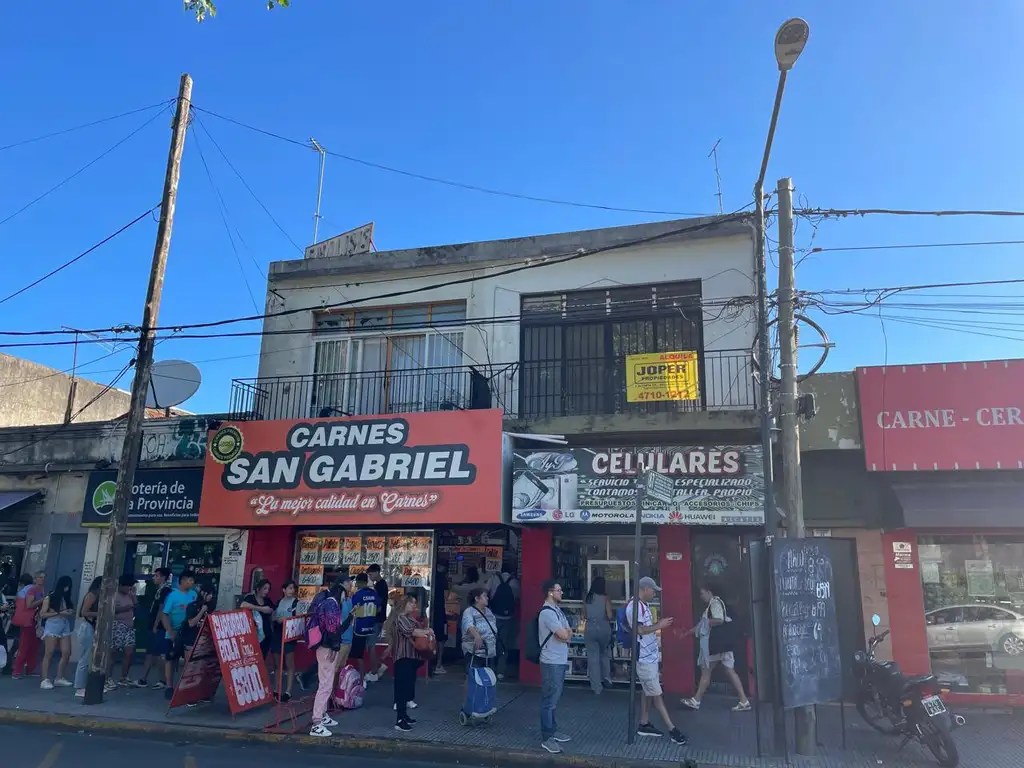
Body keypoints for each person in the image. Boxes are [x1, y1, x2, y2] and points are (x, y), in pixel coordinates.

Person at [623, 576, 686, 745]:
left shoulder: (643, 606)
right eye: (653, 590)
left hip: (649, 656)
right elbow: (640, 630)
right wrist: (660, 625)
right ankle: (672, 730)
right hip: (644, 658)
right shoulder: (634, 607)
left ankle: (644, 723)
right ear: (644, 589)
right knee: (657, 695)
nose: (654, 594)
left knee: (647, 690)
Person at [681, 584, 751, 713]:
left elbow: (719, 620)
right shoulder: (717, 604)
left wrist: (707, 622)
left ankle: (696, 700)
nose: (701, 597)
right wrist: (688, 632)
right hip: (724, 645)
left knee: (706, 672)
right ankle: (744, 700)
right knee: (730, 671)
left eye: (702, 593)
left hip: (714, 645)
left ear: (709, 592)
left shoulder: (714, 604)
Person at [384, 594, 433, 732]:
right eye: (411, 603)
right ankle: (399, 719)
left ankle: (404, 716)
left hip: (411, 656)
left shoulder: (409, 618)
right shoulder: (400, 618)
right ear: (404, 603)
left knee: (407, 686)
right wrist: (426, 631)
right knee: (401, 688)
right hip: (402, 656)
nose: (414, 606)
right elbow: (411, 632)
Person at [537, 579, 573, 754]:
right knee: (549, 700)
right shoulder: (548, 613)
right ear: (550, 592)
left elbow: (568, 632)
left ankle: (552, 729)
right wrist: (564, 635)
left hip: (559, 659)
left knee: (555, 698)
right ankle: (547, 736)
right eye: (559, 590)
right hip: (551, 661)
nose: (562, 592)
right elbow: (562, 633)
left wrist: (565, 635)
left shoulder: (557, 611)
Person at [308, 576, 345, 738]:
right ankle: (316, 722)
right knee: (325, 684)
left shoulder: (327, 601)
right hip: (327, 647)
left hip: (324, 646)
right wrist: (334, 646)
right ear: (340, 593)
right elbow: (332, 628)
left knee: (326, 682)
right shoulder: (332, 604)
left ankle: (322, 715)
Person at [161, 569, 197, 698]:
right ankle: (169, 686)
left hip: (189, 632)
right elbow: (164, 615)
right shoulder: (172, 596)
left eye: (193, 580)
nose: (192, 582)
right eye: (190, 580)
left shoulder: (194, 594)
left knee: (189, 660)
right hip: (174, 632)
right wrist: (170, 632)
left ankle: (186, 686)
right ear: (182, 581)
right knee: (170, 659)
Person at [38, 575, 75, 689]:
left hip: (64, 625)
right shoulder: (50, 597)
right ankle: (44, 679)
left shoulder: (66, 598)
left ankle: (59, 677)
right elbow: (42, 614)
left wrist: (68, 612)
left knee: (66, 652)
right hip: (52, 625)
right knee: (49, 653)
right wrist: (60, 613)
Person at [138, 567, 172, 689]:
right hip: (152, 623)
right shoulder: (158, 590)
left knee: (159, 653)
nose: (154, 578)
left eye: (157, 576)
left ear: (163, 577)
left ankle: (162, 679)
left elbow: (162, 608)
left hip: (160, 626)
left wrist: (156, 624)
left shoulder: (166, 591)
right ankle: (143, 678)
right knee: (150, 652)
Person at [488, 563, 520, 681]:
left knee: (492, 642)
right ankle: (501, 671)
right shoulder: (514, 582)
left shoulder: (494, 578)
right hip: (508, 617)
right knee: (504, 644)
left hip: (494, 615)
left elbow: (486, 592)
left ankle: (491, 668)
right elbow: (517, 598)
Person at [583, 576, 614, 695]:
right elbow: (610, 615)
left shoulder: (587, 597)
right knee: (604, 653)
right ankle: (606, 678)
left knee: (593, 657)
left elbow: (585, 615)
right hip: (603, 628)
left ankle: (596, 687)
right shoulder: (605, 598)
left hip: (590, 628)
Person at [11, 571, 45, 678]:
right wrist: (43, 600)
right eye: (40, 577)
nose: (42, 579)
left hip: (34, 621)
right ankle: (17, 671)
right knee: (25, 645)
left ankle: (29, 668)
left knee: (33, 645)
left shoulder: (37, 590)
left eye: (43, 577)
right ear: (35, 578)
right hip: (29, 621)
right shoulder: (33, 590)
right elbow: (29, 605)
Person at [74, 577, 102, 698]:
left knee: (89, 657)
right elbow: (83, 612)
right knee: (85, 658)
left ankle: (84, 684)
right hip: (87, 626)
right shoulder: (92, 595)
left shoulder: (98, 595)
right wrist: (100, 613)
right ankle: (79, 687)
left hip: (91, 627)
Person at [350, 572, 381, 682]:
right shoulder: (374, 593)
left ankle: (361, 679)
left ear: (358, 582)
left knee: (359, 655)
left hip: (359, 628)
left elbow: (352, 610)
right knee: (372, 648)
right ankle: (374, 673)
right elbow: (379, 609)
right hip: (371, 626)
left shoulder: (357, 595)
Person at [272, 580, 300, 701]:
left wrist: (286, 619)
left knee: (289, 664)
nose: (291, 591)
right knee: (277, 664)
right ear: (283, 590)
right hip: (278, 633)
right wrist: (277, 619)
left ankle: (288, 691)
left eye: (293, 588)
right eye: (289, 588)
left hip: (289, 634)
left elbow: (298, 618)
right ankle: (276, 689)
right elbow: (273, 615)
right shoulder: (279, 602)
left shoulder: (296, 603)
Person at [111, 574, 138, 688]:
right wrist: (124, 608)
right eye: (127, 587)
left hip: (129, 626)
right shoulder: (114, 595)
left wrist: (133, 597)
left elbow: (136, 606)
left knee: (129, 652)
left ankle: (124, 677)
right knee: (113, 653)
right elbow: (111, 610)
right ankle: (108, 677)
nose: (129, 589)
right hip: (118, 625)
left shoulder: (130, 595)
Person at [241, 579, 276, 659]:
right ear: (258, 589)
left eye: (268, 589)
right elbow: (243, 605)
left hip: (266, 634)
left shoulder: (267, 600)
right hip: (253, 634)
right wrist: (261, 609)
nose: (266, 591)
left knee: (262, 658)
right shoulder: (251, 598)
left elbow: (273, 610)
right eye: (265, 588)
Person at [461, 587, 498, 665]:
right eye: (484, 596)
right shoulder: (469, 611)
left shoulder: (488, 611)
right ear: (477, 599)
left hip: (489, 652)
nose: (487, 598)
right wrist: (477, 636)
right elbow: (468, 625)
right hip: (475, 652)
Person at [366, 564, 389, 681]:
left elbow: (378, 605)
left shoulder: (380, 585)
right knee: (370, 645)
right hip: (378, 619)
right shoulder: (380, 585)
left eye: (370, 574)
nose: (370, 577)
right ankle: (379, 666)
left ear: (376, 572)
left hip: (376, 619)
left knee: (371, 646)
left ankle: (374, 673)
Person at [430, 565, 449, 676]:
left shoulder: (426, 575)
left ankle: (428, 663)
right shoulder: (442, 577)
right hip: (440, 611)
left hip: (427, 609)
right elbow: (446, 596)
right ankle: (438, 664)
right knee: (441, 638)